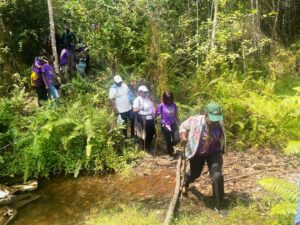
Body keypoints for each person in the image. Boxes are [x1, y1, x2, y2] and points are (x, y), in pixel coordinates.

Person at [180, 102, 226, 211]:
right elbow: (182, 126)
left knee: (217, 174)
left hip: (214, 152)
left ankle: (219, 200)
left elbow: (222, 137)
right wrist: (183, 136)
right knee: (195, 173)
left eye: (217, 118)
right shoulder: (195, 120)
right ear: (206, 115)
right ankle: (186, 181)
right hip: (197, 153)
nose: (215, 121)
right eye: (212, 119)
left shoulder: (219, 123)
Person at [156, 91, 180, 160]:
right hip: (165, 125)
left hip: (173, 124)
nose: (169, 101)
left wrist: (180, 124)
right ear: (165, 99)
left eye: (170, 99)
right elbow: (157, 115)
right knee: (168, 140)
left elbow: (176, 115)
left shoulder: (174, 105)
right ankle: (170, 154)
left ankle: (169, 146)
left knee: (177, 139)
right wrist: (156, 118)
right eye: (167, 99)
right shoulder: (161, 106)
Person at [133, 85, 156, 152]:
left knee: (152, 132)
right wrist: (140, 108)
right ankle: (145, 147)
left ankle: (148, 145)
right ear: (140, 92)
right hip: (143, 118)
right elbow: (134, 110)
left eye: (146, 92)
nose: (145, 93)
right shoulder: (137, 100)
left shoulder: (147, 98)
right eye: (144, 92)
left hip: (150, 118)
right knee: (145, 133)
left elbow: (151, 107)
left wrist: (154, 113)